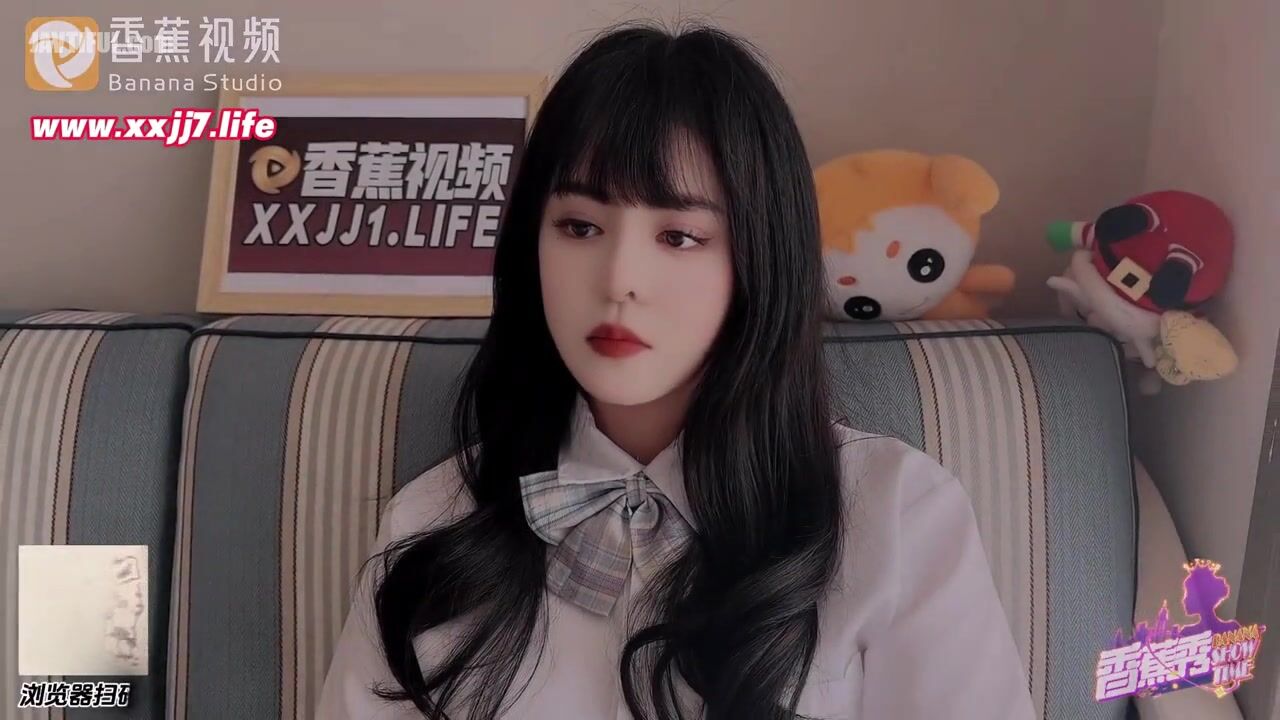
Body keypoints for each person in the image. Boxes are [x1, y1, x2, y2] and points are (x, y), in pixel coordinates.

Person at [317, 22, 1034, 720]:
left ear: (758, 258)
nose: (619, 279)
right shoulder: (435, 519)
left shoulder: (896, 515)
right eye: (579, 227)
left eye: (681, 236)